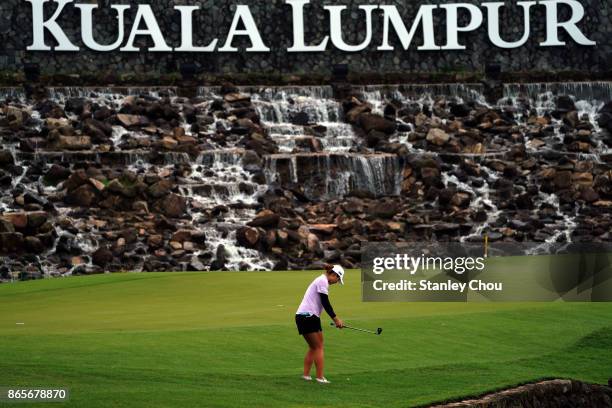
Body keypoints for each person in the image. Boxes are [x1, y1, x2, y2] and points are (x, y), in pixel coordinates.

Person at [295, 264, 345, 384]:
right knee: (318, 347)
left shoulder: (322, 280)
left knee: (316, 346)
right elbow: (325, 302)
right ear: (334, 275)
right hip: (308, 316)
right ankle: (320, 377)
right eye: (338, 279)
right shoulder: (322, 281)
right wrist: (336, 319)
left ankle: (306, 376)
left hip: (308, 317)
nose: (337, 282)